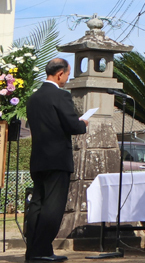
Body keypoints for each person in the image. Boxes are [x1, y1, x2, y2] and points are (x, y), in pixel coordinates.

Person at [25, 58, 88, 262]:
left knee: (37, 203)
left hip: (38, 158)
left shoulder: (33, 98)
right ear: (60, 73)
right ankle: (43, 250)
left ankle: (33, 250)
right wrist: (83, 122)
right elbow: (72, 126)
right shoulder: (61, 96)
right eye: (68, 74)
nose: (67, 79)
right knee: (53, 206)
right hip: (57, 158)